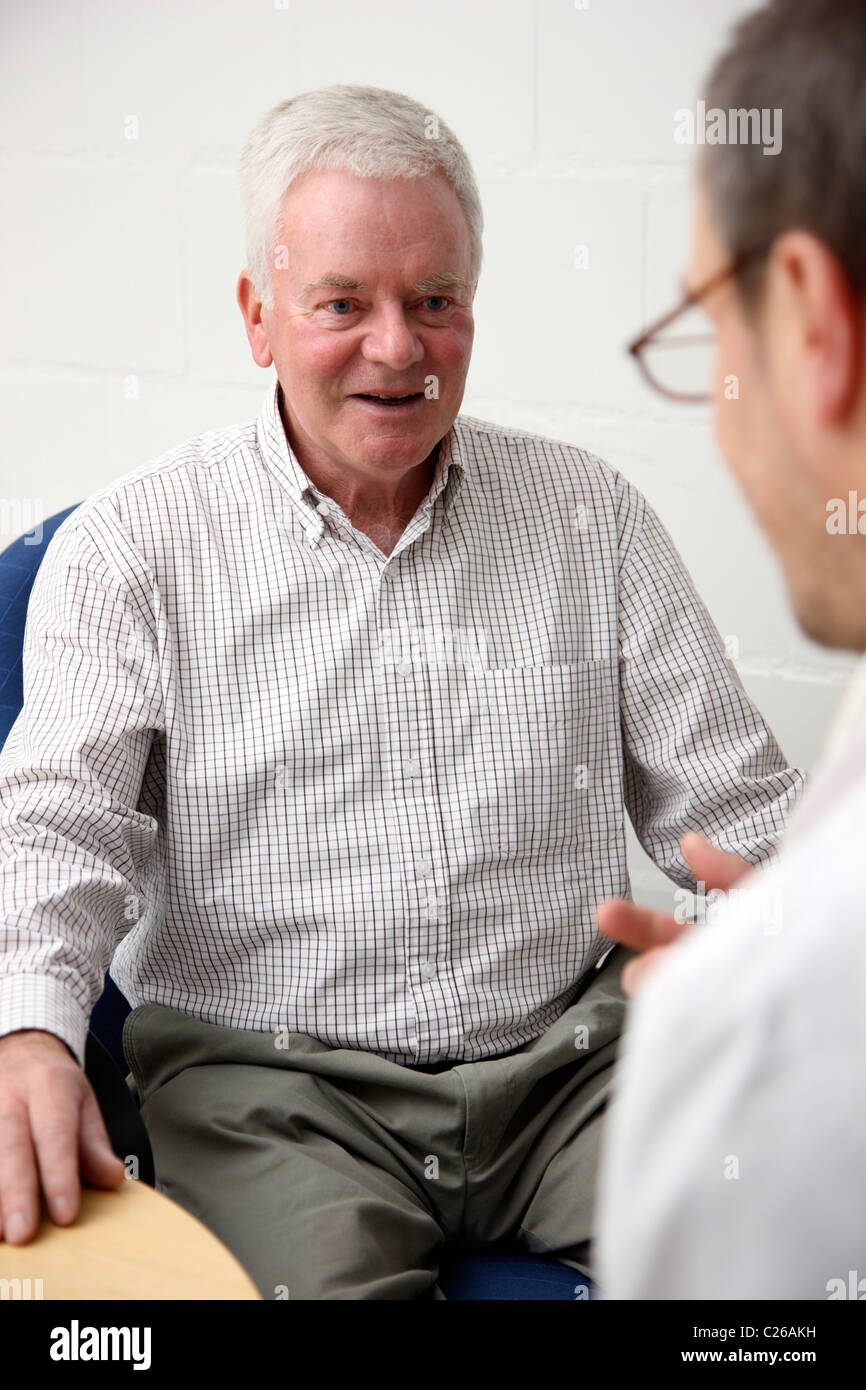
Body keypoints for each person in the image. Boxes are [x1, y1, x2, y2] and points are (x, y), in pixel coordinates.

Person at [0, 84, 803, 1299]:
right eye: (341, 304)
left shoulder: (590, 517)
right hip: (274, 1090)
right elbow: (61, 827)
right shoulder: (129, 549)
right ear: (256, 316)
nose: (397, 346)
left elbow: (737, 813)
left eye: (435, 302)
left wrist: (813, 928)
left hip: (575, 1064)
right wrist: (29, 1028)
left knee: (779, 1258)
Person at [594, 0, 866, 1300]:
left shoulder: (748, 1044)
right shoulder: (134, 542)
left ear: (808, 322)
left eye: (706, 326)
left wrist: (752, 994)